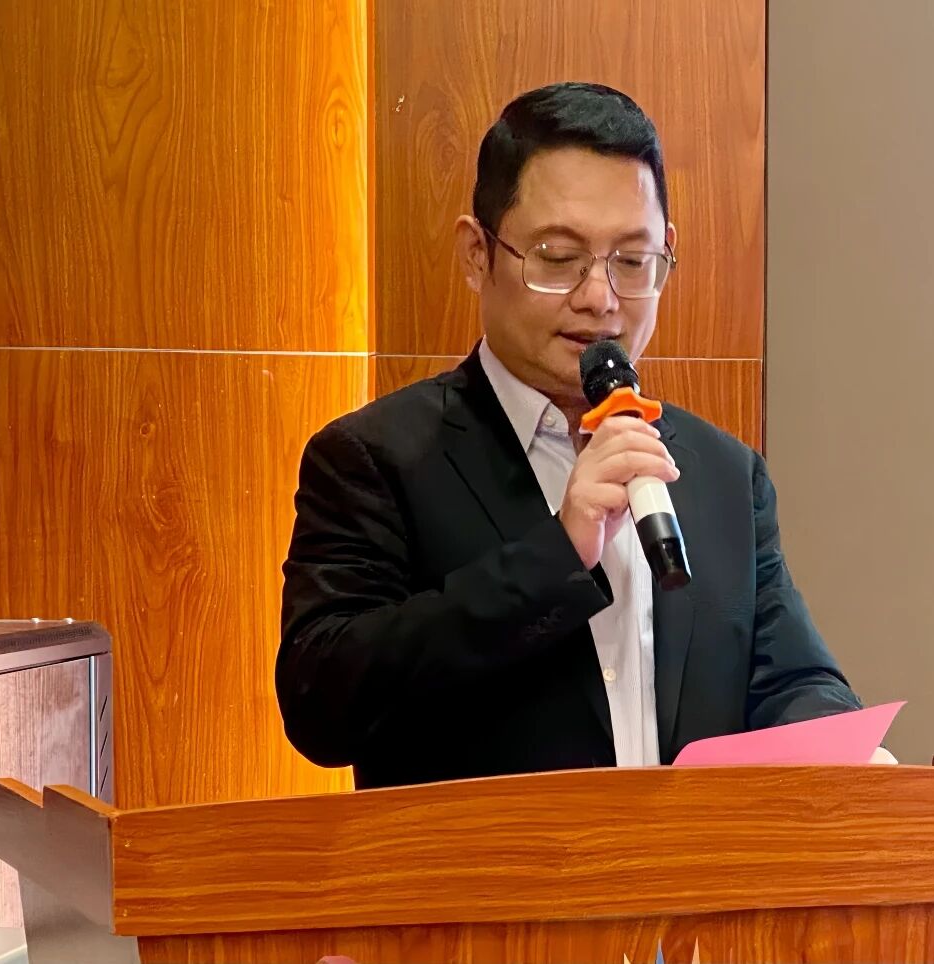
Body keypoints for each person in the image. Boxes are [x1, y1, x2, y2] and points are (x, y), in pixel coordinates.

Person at [278, 82, 884, 791]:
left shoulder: (721, 473)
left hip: (691, 864)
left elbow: (796, 680)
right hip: (488, 866)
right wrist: (558, 556)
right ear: (477, 253)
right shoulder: (377, 460)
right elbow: (321, 703)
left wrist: (835, 746)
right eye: (558, 257)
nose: (600, 298)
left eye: (631, 261)